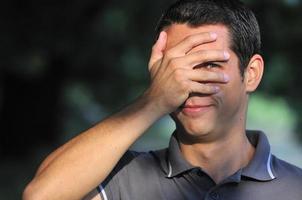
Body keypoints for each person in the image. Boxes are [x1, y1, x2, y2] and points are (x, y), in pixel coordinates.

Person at [23, 0, 302, 199]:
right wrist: (153, 100)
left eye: (209, 65)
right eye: (175, 67)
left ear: (250, 74)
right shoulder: (123, 179)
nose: (186, 84)